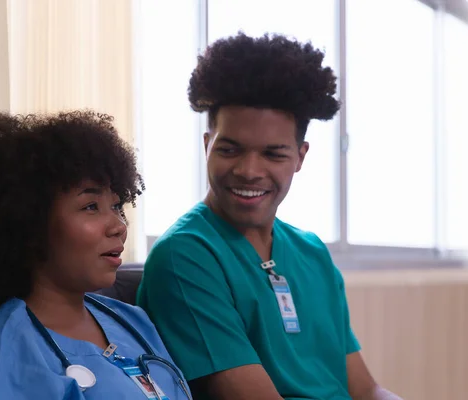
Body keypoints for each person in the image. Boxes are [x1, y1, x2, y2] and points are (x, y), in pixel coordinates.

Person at [137, 33, 403, 400]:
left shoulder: (312, 253)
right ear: (206, 146)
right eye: (230, 149)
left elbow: (366, 390)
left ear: (300, 156)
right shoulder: (185, 256)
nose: (248, 170)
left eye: (273, 154)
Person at [0, 111, 191, 399]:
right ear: (26, 222)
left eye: (117, 206)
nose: (119, 226)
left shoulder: (131, 320)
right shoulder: (6, 353)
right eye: (91, 206)